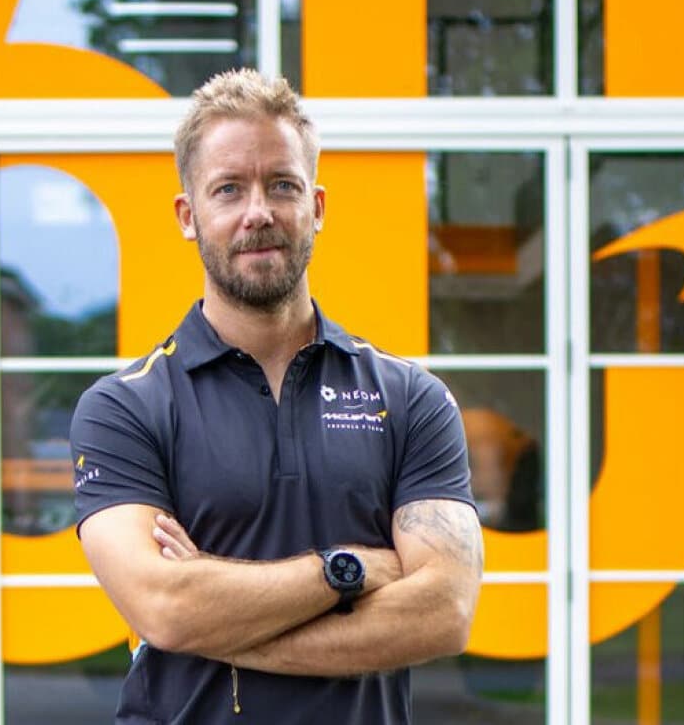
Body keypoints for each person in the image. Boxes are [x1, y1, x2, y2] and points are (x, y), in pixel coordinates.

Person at [71, 68, 483, 724]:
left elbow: (445, 612)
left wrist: (222, 622)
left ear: (316, 207)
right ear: (188, 216)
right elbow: (165, 609)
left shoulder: (410, 398)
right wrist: (347, 569)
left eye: (282, 185)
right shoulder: (126, 408)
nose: (258, 212)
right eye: (229, 189)